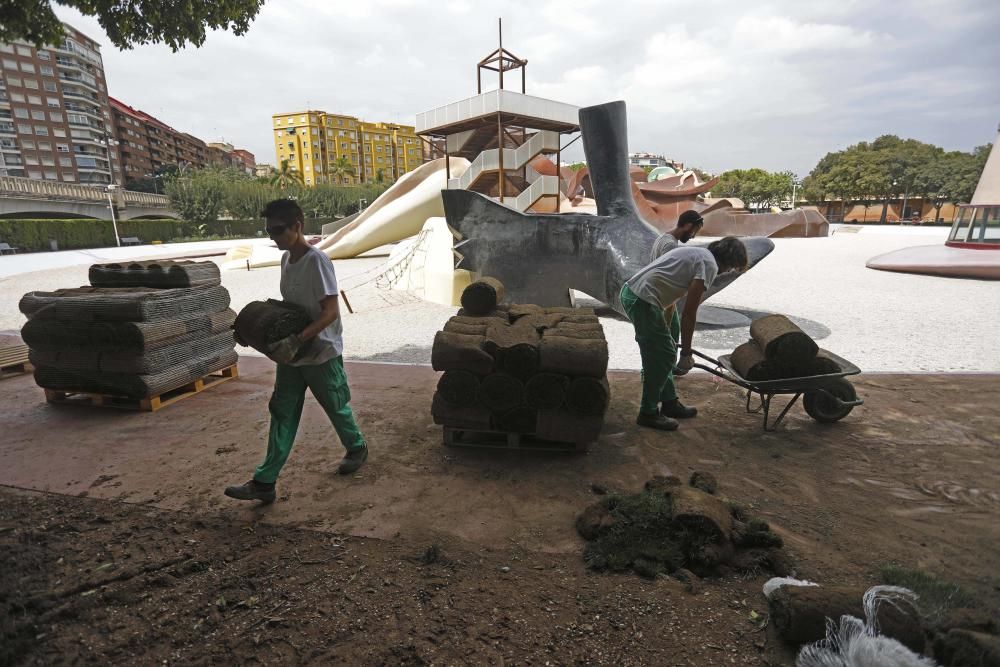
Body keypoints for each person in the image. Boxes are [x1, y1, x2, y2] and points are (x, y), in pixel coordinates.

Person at [225, 199, 368, 503]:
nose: (274, 237)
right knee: (282, 411)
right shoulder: (286, 260)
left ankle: (356, 447)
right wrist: (256, 331)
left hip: (320, 352)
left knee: (335, 405)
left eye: (278, 230)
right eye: (270, 232)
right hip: (291, 353)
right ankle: (265, 482)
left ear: (298, 226)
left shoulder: (316, 261)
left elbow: (330, 312)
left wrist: (298, 338)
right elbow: (287, 307)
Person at [620, 236, 748, 431]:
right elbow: (689, 312)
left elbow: (671, 285)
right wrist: (686, 353)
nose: (727, 272)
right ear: (729, 260)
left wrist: (670, 330)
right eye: (731, 268)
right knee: (662, 355)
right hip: (642, 299)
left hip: (638, 295)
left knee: (663, 352)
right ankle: (648, 412)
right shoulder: (709, 265)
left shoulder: (697, 253)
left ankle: (669, 402)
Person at [649, 210, 705, 378]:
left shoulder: (664, 238)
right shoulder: (670, 245)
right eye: (695, 231)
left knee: (672, 336)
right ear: (688, 226)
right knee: (664, 342)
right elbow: (666, 277)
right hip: (662, 299)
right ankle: (660, 374)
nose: (694, 236)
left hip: (665, 300)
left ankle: (667, 370)